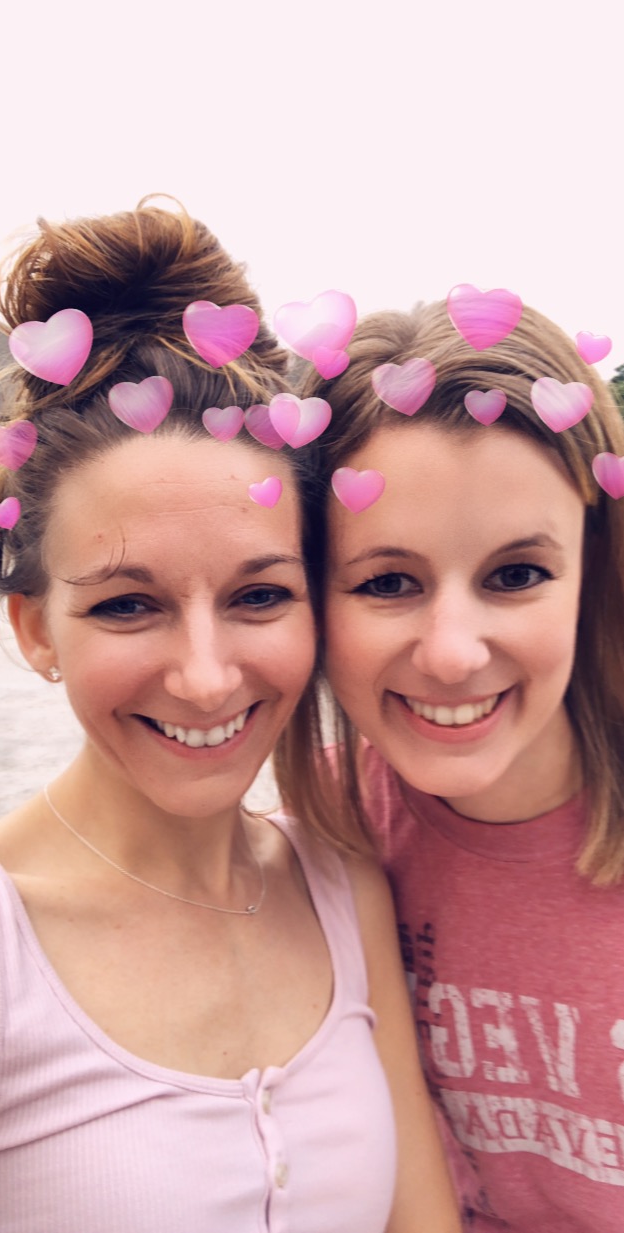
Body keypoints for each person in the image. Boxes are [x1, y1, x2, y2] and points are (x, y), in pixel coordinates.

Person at [0, 203, 461, 1233]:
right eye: (128, 605)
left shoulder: (340, 888)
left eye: (259, 595)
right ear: (34, 628)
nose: (207, 680)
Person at [281, 295, 624, 1231]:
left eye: (516, 575)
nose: (451, 653)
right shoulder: (310, 850)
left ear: (593, 575)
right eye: (387, 582)